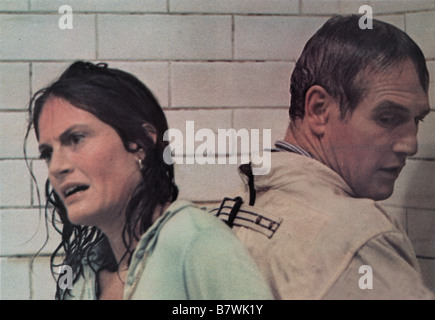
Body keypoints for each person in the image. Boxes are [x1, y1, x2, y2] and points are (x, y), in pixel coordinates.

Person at [212, 15, 435, 299]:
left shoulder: (234, 206)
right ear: (319, 110)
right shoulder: (361, 237)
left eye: (416, 120)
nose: (410, 144)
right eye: (388, 118)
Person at [25, 61, 273, 300]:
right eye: (48, 153)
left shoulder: (196, 241)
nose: (57, 167)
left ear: (139, 143)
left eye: (76, 139)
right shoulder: (82, 276)